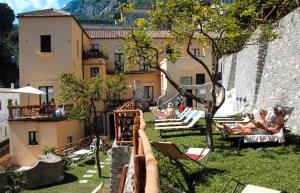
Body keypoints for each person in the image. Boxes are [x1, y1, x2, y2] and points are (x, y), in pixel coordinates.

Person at [216, 107, 284, 135]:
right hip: (262, 127)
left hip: (266, 131)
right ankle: (229, 129)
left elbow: (276, 130)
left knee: (249, 128)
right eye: (274, 110)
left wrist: (265, 127)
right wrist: (264, 124)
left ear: (280, 112)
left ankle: (230, 130)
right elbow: (267, 123)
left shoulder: (280, 119)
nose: (274, 111)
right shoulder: (275, 117)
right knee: (248, 126)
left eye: (276, 110)